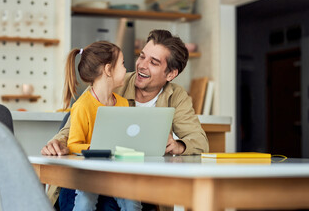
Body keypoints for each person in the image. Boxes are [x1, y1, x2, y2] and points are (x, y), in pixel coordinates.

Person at [41, 29, 209, 211]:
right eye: (142, 56)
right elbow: (71, 128)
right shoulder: (112, 82)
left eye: (153, 62)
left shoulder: (176, 97)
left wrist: (179, 146)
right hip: (93, 180)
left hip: (134, 183)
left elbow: (200, 142)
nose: (141, 65)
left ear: (170, 74)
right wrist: (56, 143)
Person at [62, 41, 142, 211]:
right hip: (90, 172)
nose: (126, 69)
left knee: (133, 203)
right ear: (108, 69)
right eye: (122, 64)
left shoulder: (123, 103)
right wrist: (98, 148)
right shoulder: (82, 106)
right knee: (85, 202)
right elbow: (72, 144)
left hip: (117, 172)